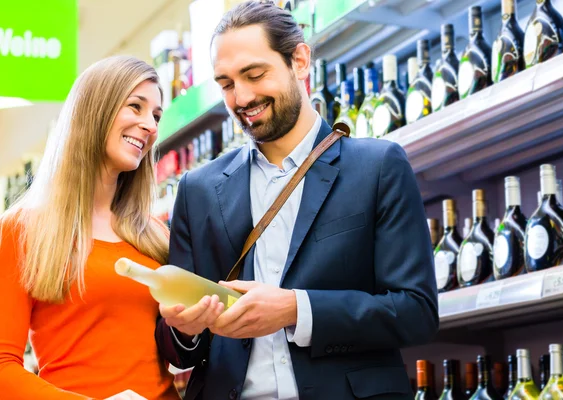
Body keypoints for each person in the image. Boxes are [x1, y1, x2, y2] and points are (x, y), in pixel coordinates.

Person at [156, 2, 439, 399]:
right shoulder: (198, 190)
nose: (242, 97)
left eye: (255, 74)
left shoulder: (377, 167)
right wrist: (183, 327)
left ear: (300, 60)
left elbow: (416, 312)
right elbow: (179, 351)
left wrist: (296, 309)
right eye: (226, 84)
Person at [0, 56, 180, 400]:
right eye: (136, 107)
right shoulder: (21, 230)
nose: (151, 126)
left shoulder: (156, 237)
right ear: (95, 110)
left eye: (156, 116)